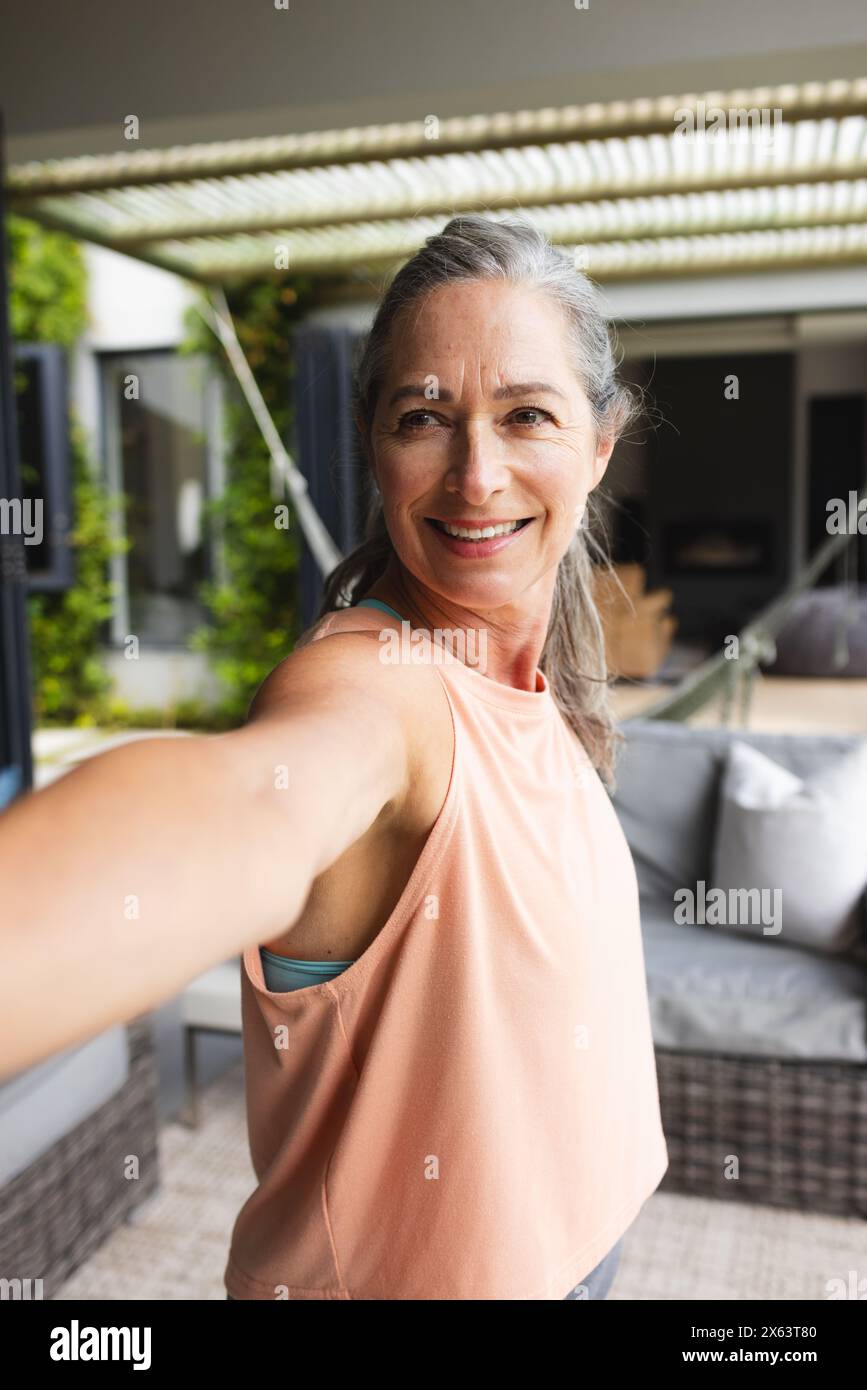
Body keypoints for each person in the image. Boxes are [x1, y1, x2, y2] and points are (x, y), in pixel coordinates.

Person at [0, 213, 668, 1300]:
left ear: (599, 445)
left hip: (585, 1246)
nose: (477, 474)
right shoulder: (378, 689)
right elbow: (248, 808)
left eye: (526, 415)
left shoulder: (538, 691)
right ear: (372, 442)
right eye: (425, 417)